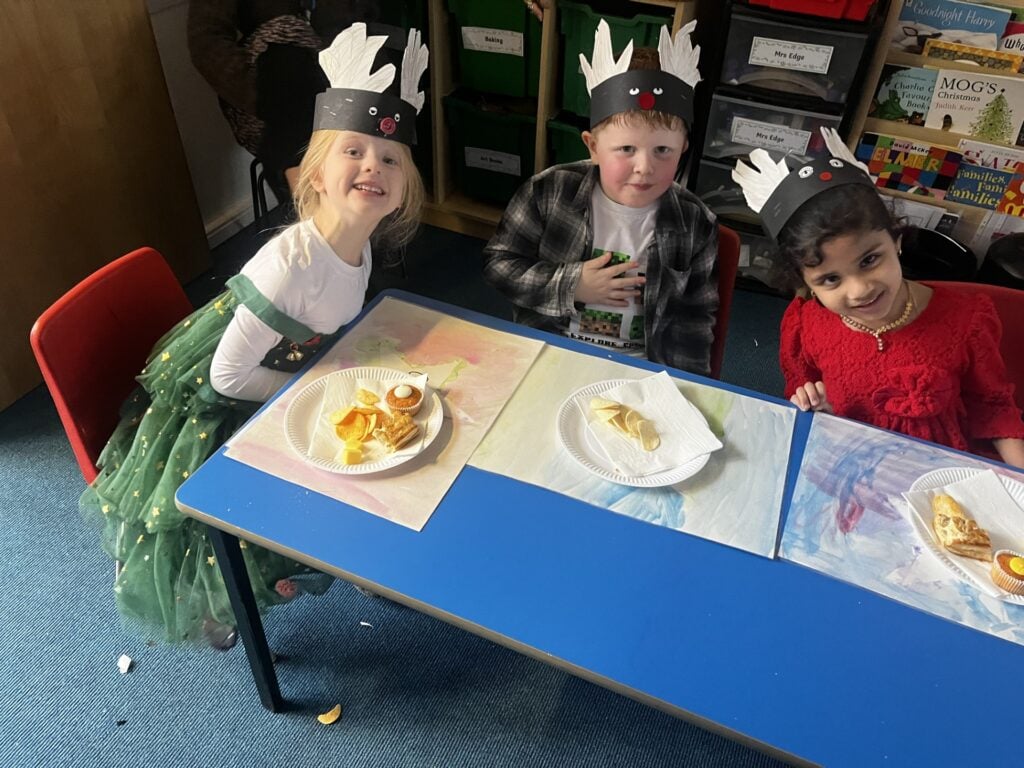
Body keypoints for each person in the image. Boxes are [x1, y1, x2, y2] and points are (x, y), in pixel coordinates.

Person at [80, 23, 429, 645]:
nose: (373, 165)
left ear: (403, 189)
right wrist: (311, 389)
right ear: (313, 175)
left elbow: (334, 320)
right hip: (223, 397)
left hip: (286, 361)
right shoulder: (289, 265)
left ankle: (354, 554)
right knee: (261, 501)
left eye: (390, 158)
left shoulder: (362, 245)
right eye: (354, 151)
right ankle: (217, 591)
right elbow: (227, 377)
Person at [732, 130, 1024, 468]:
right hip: (851, 464)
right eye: (830, 279)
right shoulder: (805, 324)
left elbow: (993, 407)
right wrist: (814, 403)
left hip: (943, 470)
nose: (860, 290)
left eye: (870, 260)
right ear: (805, 282)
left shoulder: (967, 320)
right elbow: (804, 395)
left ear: (895, 240)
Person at [482, 20, 719, 376]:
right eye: (626, 149)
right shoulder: (548, 192)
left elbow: (694, 321)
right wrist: (571, 284)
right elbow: (499, 266)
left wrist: (686, 388)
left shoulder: (695, 222)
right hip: (550, 353)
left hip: (642, 371)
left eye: (663, 151)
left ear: (683, 149)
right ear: (593, 147)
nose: (644, 167)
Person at [187, 0, 380, 203]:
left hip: (345, 78)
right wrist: (262, 95)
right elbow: (206, 43)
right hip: (276, 92)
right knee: (286, 53)